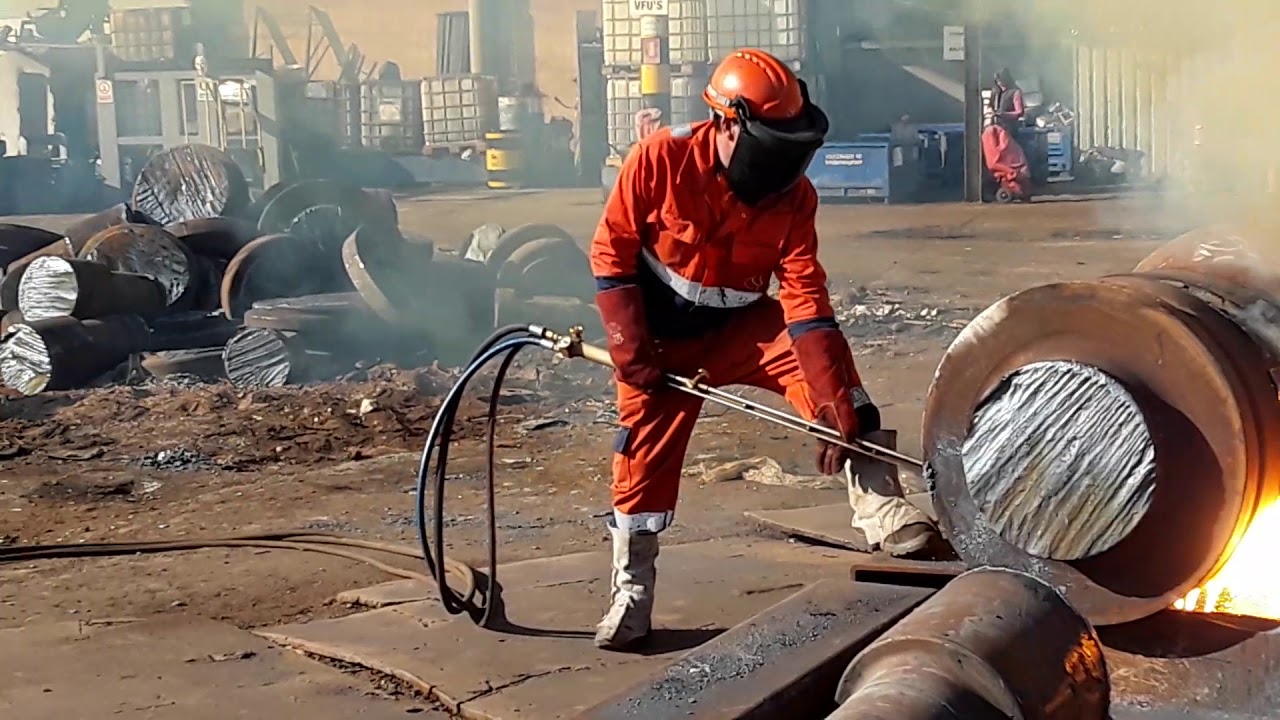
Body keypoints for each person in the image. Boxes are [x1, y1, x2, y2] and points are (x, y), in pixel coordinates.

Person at [588, 48, 940, 652]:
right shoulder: (659, 160)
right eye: (771, 149)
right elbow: (611, 257)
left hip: (743, 330)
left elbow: (804, 297)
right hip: (659, 342)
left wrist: (832, 399)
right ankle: (632, 592)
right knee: (642, 456)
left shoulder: (795, 199)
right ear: (727, 123)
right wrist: (630, 348)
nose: (782, 170)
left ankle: (884, 511)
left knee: (840, 390)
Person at [991, 68, 1026, 135]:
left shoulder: (1015, 92)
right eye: (997, 80)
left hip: (1010, 129)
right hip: (995, 128)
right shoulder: (995, 92)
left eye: (1001, 80)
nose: (999, 82)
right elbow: (989, 106)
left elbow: (1019, 112)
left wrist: (1005, 114)